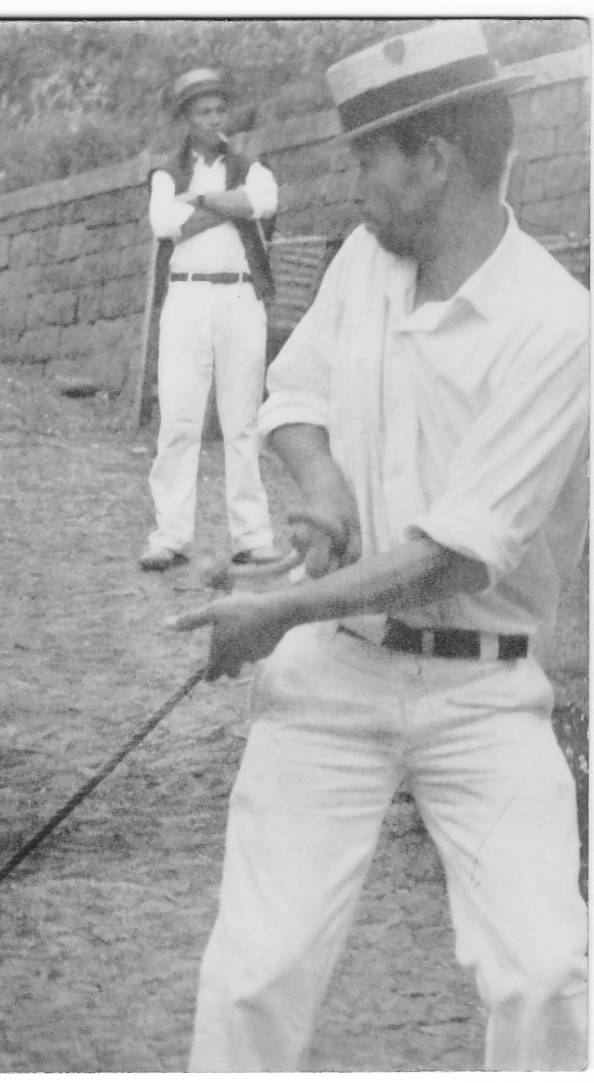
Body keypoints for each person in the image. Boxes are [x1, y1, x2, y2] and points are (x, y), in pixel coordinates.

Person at [171, 22, 588, 1070]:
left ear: (432, 160)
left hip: (482, 697)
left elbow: (456, 552)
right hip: (335, 677)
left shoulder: (555, 323)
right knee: (252, 978)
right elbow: (293, 393)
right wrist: (320, 487)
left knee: (541, 975)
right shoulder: (366, 259)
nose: (354, 185)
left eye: (367, 158)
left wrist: (271, 612)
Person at [139, 67, 282, 572]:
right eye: (203, 112)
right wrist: (230, 207)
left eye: (220, 110)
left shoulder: (251, 165)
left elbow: (263, 202)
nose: (214, 120)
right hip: (187, 301)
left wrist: (199, 201)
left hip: (241, 299)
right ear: (186, 118)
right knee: (179, 421)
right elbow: (164, 225)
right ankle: (170, 536)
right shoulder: (165, 171)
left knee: (242, 422)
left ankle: (253, 536)